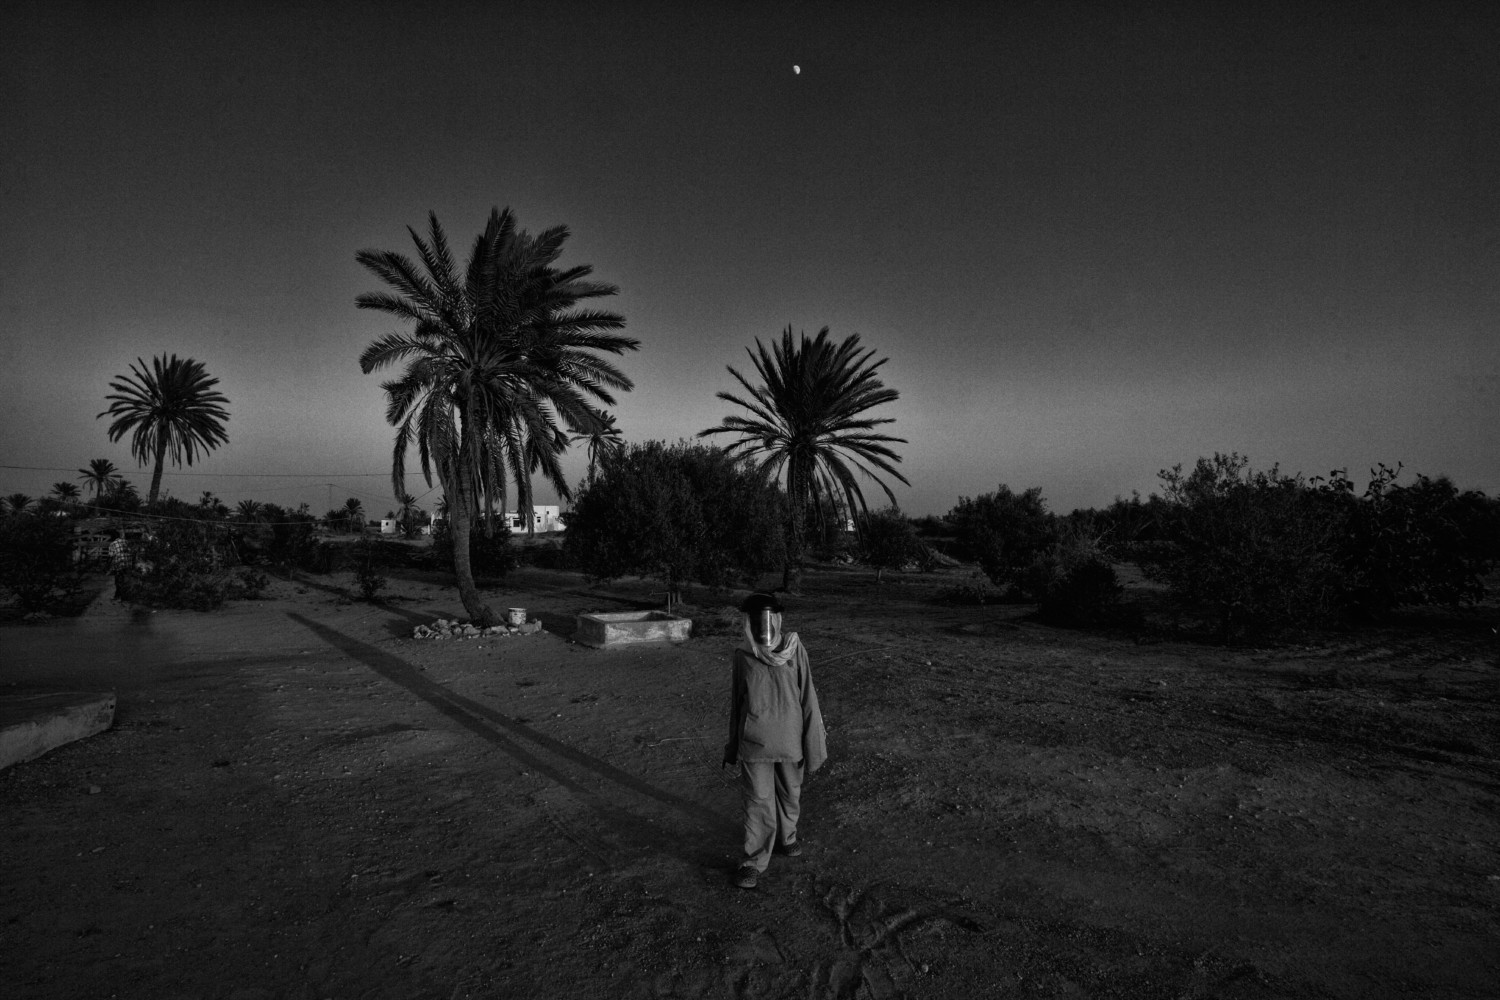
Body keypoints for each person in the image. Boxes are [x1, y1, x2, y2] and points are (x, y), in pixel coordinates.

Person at [723, 592, 827, 889]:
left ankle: (787, 836)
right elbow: (737, 703)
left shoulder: (794, 649)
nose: (763, 625)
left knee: (790, 793)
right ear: (748, 622)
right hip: (755, 742)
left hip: (791, 739)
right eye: (757, 619)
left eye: (769, 617)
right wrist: (733, 745)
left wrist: (813, 742)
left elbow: (808, 697)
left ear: (779, 619)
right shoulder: (743, 655)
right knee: (758, 800)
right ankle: (753, 861)